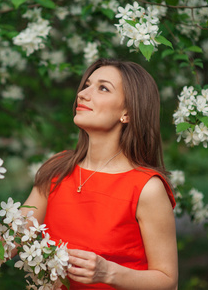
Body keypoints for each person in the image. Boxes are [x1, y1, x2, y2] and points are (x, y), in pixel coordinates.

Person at [22, 58, 178, 290]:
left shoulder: (146, 188)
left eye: (103, 88)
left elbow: (168, 282)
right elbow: (9, 241)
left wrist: (109, 272)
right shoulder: (57, 169)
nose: (83, 94)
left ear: (127, 112)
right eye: (86, 85)